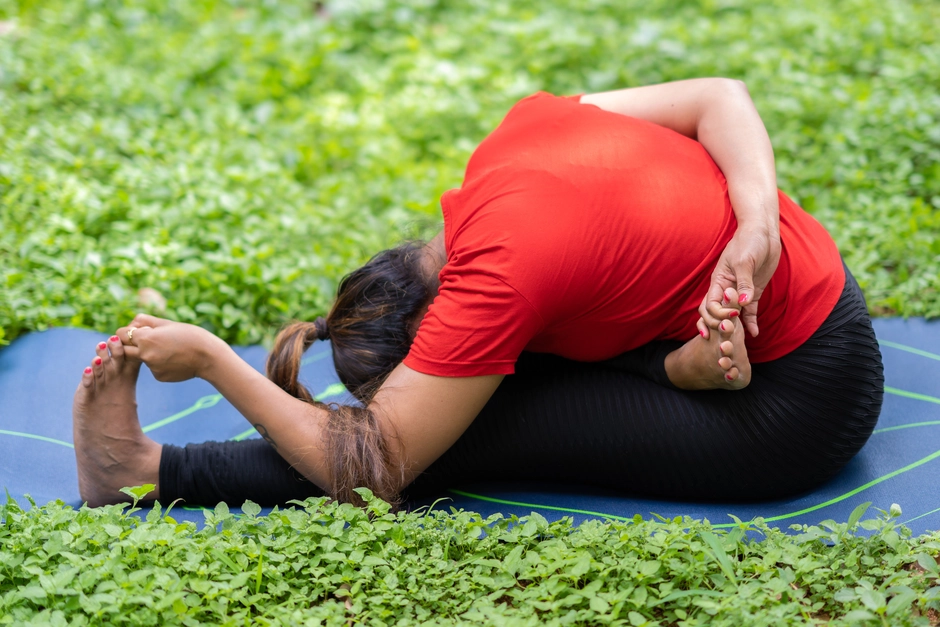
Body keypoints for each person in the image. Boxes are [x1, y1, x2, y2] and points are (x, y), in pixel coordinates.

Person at [72, 78, 884, 509]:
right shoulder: (515, 135)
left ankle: (144, 469)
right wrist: (759, 224)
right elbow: (720, 95)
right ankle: (677, 369)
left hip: (801, 401)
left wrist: (213, 358)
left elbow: (374, 464)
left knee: (457, 440)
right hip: (803, 311)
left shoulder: (495, 284)